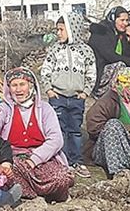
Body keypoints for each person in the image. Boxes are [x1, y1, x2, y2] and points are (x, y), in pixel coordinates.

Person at [0, 67, 74, 203]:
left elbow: (56, 139)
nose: (18, 90)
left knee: (61, 178)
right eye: (14, 85)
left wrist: (34, 159)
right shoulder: (4, 108)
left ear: (30, 86)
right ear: (9, 88)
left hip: (43, 159)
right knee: (6, 171)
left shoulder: (45, 109)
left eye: (22, 84)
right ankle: (35, 196)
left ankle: (30, 193)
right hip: (15, 159)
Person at [41, 12, 96, 179]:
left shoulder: (85, 50)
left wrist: (85, 92)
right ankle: (62, 162)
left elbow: (91, 73)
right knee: (59, 130)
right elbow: (45, 71)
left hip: (76, 98)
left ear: (73, 29)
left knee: (75, 130)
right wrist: (49, 90)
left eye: (61, 30)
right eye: (57, 30)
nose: (58, 33)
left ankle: (76, 162)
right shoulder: (55, 49)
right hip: (57, 97)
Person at [88, 7, 130, 99]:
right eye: (122, 20)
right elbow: (111, 56)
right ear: (113, 19)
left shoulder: (118, 33)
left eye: (127, 20)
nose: (125, 23)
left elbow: (127, 57)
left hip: (114, 72)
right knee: (119, 65)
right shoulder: (101, 32)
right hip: (99, 74)